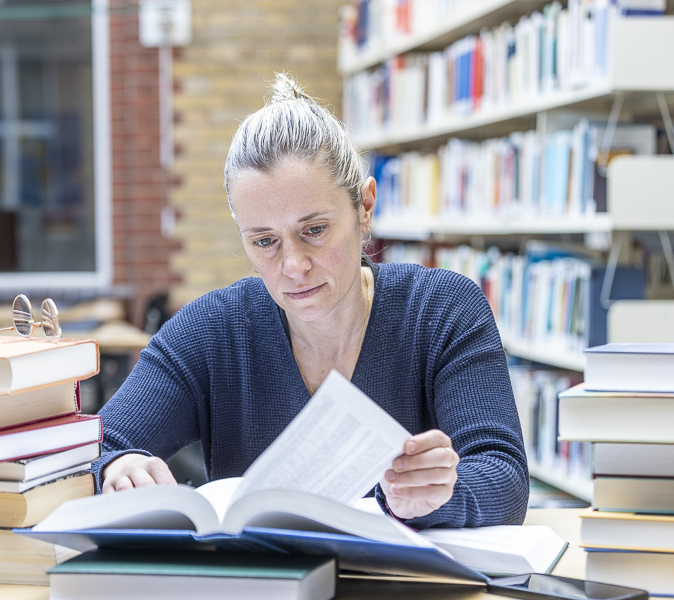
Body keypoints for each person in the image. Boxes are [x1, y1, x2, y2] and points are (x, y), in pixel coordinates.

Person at [94, 74, 528, 529]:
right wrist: (113, 468)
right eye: (264, 241)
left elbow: (504, 476)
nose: (294, 265)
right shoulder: (211, 332)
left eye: (314, 230)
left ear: (365, 208)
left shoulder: (443, 311)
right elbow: (93, 447)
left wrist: (439, 494)